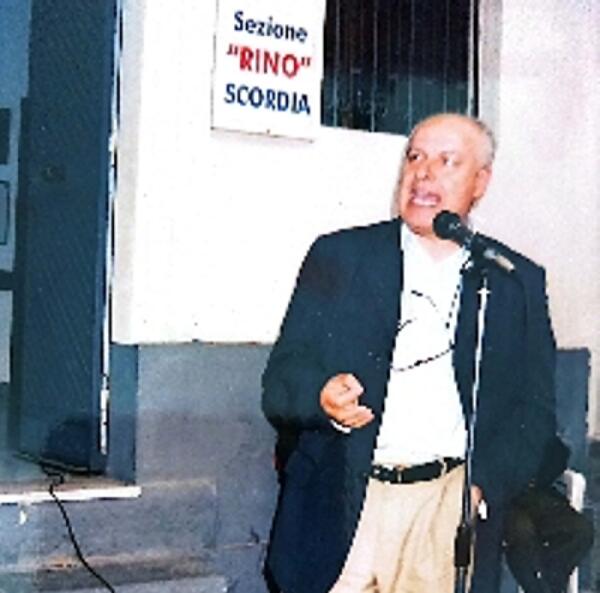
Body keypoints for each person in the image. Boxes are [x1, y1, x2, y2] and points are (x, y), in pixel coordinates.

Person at [261, 113, 557, 593]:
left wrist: (483, 486)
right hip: (343, 502)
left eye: (447, 161)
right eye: (415, 157)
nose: (423, 173)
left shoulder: (511, 280)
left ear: (480, 182)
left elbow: (535, 413)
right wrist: (321, 398)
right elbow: (281, 382)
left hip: (444, 508)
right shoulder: (340, 257)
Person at [503, 436, 594, 593]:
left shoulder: (540, 422)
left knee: (581, 530)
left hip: (537, 493)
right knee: (522, 532)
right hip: (502, 497)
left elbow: (558, 453)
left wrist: (537, 474)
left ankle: (549, 582)